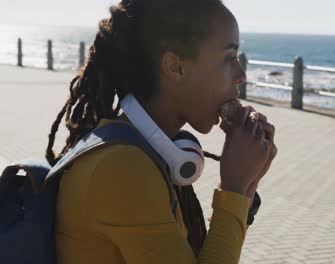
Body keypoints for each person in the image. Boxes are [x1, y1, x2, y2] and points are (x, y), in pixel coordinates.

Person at [45, 0, 277, 263]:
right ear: (175, 67)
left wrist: (248, 183)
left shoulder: (149, 150)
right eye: (229, 58)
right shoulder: (121, 167)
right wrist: (233, 188)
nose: (241, 75)